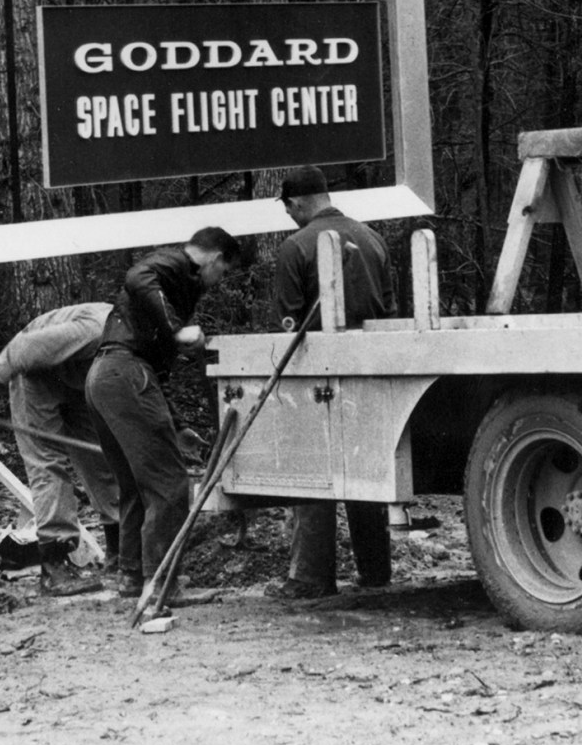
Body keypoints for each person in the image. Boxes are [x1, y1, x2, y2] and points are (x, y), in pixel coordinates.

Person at [85, 226, 244, 602]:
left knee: (135, 484)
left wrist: (177, 426)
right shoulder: (175, 264)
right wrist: (178, 330)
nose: (218, 282)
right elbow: (137, 276)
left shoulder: (175, 278)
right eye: (222, 272)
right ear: (216, 258)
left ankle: (133, 576)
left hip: (106, 377)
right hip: (126, 374)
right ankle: (162, 583)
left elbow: (154, 373)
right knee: (170, 484)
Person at [271, 166, 395, 599]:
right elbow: (390, 310)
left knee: (313, 472)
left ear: (297, 203)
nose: (288, 215)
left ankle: (311, 577)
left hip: (317, 375)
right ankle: (376, 571)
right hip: (371, 371)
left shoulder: (295, 247)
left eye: (287, 207)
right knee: (363, 472)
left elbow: (289, 326)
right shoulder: (373, 238)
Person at [0, 302, 120, 597]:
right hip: (35, 374)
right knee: (48, 464)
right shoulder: (95, 330)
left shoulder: (140, 343)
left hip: (80, 378)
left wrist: (178, 428)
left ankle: (121, 553)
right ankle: (55, 566)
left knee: (100, 456)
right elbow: (21, 349)